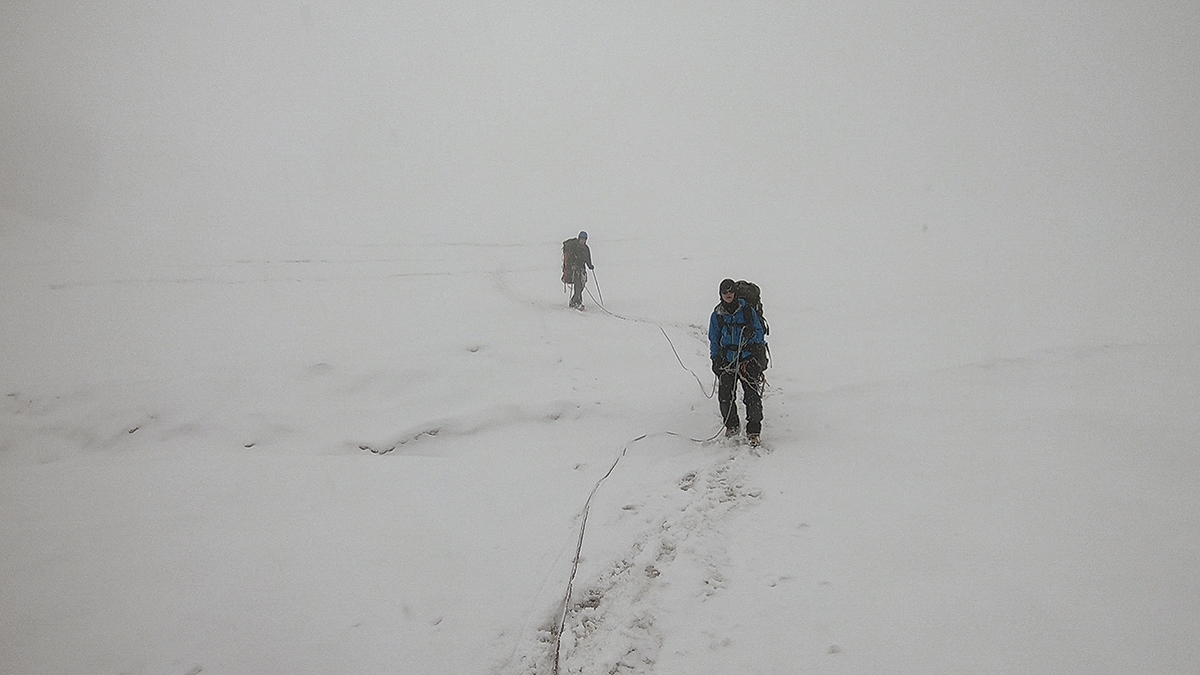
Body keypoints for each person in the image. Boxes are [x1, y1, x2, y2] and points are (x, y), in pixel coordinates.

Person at [708, 278, 768, 446]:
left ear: (735, 292)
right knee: (725, 397)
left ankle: (754, 430)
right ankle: (732, 425)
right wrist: (715, 358)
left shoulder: (748, 311)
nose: (728, 295)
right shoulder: (717, 315)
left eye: (730, 291)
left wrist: (751, 336)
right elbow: (714, 338)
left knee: (752, 397)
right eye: (724, 292)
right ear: (720, 294)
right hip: (727, 361)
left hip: (748, 359)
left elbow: (759, 333)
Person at [562, 231, 594, 310]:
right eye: (581, 239)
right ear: (579, 238)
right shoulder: (574, 247)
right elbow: (571, 258)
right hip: (575, 270)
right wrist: (572, 265)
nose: (583, 241)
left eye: (584, 239)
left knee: (582, 285)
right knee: (578, 286)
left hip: (582, 269)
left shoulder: (586, 248)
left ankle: (575, 300)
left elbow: (587, 258)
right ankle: (576, 302)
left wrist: (590, 266)